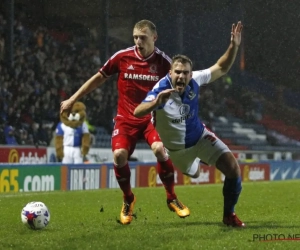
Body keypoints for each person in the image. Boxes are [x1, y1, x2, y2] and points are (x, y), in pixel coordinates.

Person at [60, 20, 190, 225]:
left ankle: (171, 197)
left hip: (151, 119)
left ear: (154, 38)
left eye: (143, 38)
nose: (138, 41)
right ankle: (128, 198)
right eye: (135, 37)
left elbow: (181, 85)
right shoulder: (122, 57)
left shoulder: (165, 62)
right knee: (119, 155)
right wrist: (73, 99)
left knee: (158, 149)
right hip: (125, 119)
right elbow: (98, 78)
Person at [134, 22, 245, 227]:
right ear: (170, 73)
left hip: (200, 136)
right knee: (194, 173)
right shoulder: (161, 89)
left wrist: (234, 46)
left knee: (233, 168)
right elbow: (137, 110)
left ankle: (229, 215)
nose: (182, 76)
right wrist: (156, 103)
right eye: (178, 72)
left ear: (191, 74)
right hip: (178, 151)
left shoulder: (196, 80)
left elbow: (221, 67)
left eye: (186, 73)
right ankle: (197, 164)